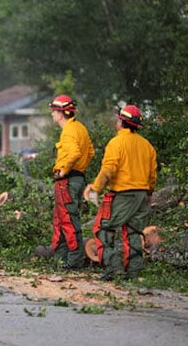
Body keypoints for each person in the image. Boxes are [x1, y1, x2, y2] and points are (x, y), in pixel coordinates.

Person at [83, 105, 157, 281]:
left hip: (123, 194)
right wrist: (149, 193)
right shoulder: (147, 146)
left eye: (118, 120)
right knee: (133, 232)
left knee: (102, 229)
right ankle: (133, 272)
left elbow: (108, 170)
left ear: (122, 122)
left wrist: (96, 188)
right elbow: (152, 175)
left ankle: (114, 265)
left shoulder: (116, 143)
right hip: (142, 195)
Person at [49, 95, 95, 270]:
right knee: (61, 219)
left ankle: (74, 261)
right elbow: (90, 152)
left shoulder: (68, 130)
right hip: (77, 178)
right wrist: (79, 169)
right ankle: (61, 258)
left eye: (53, 111)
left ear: (61, 113)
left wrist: (64, 170)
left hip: (67, 180)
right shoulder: (80, 128)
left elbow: (75, 152)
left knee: (68, 220)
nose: (52, 115)